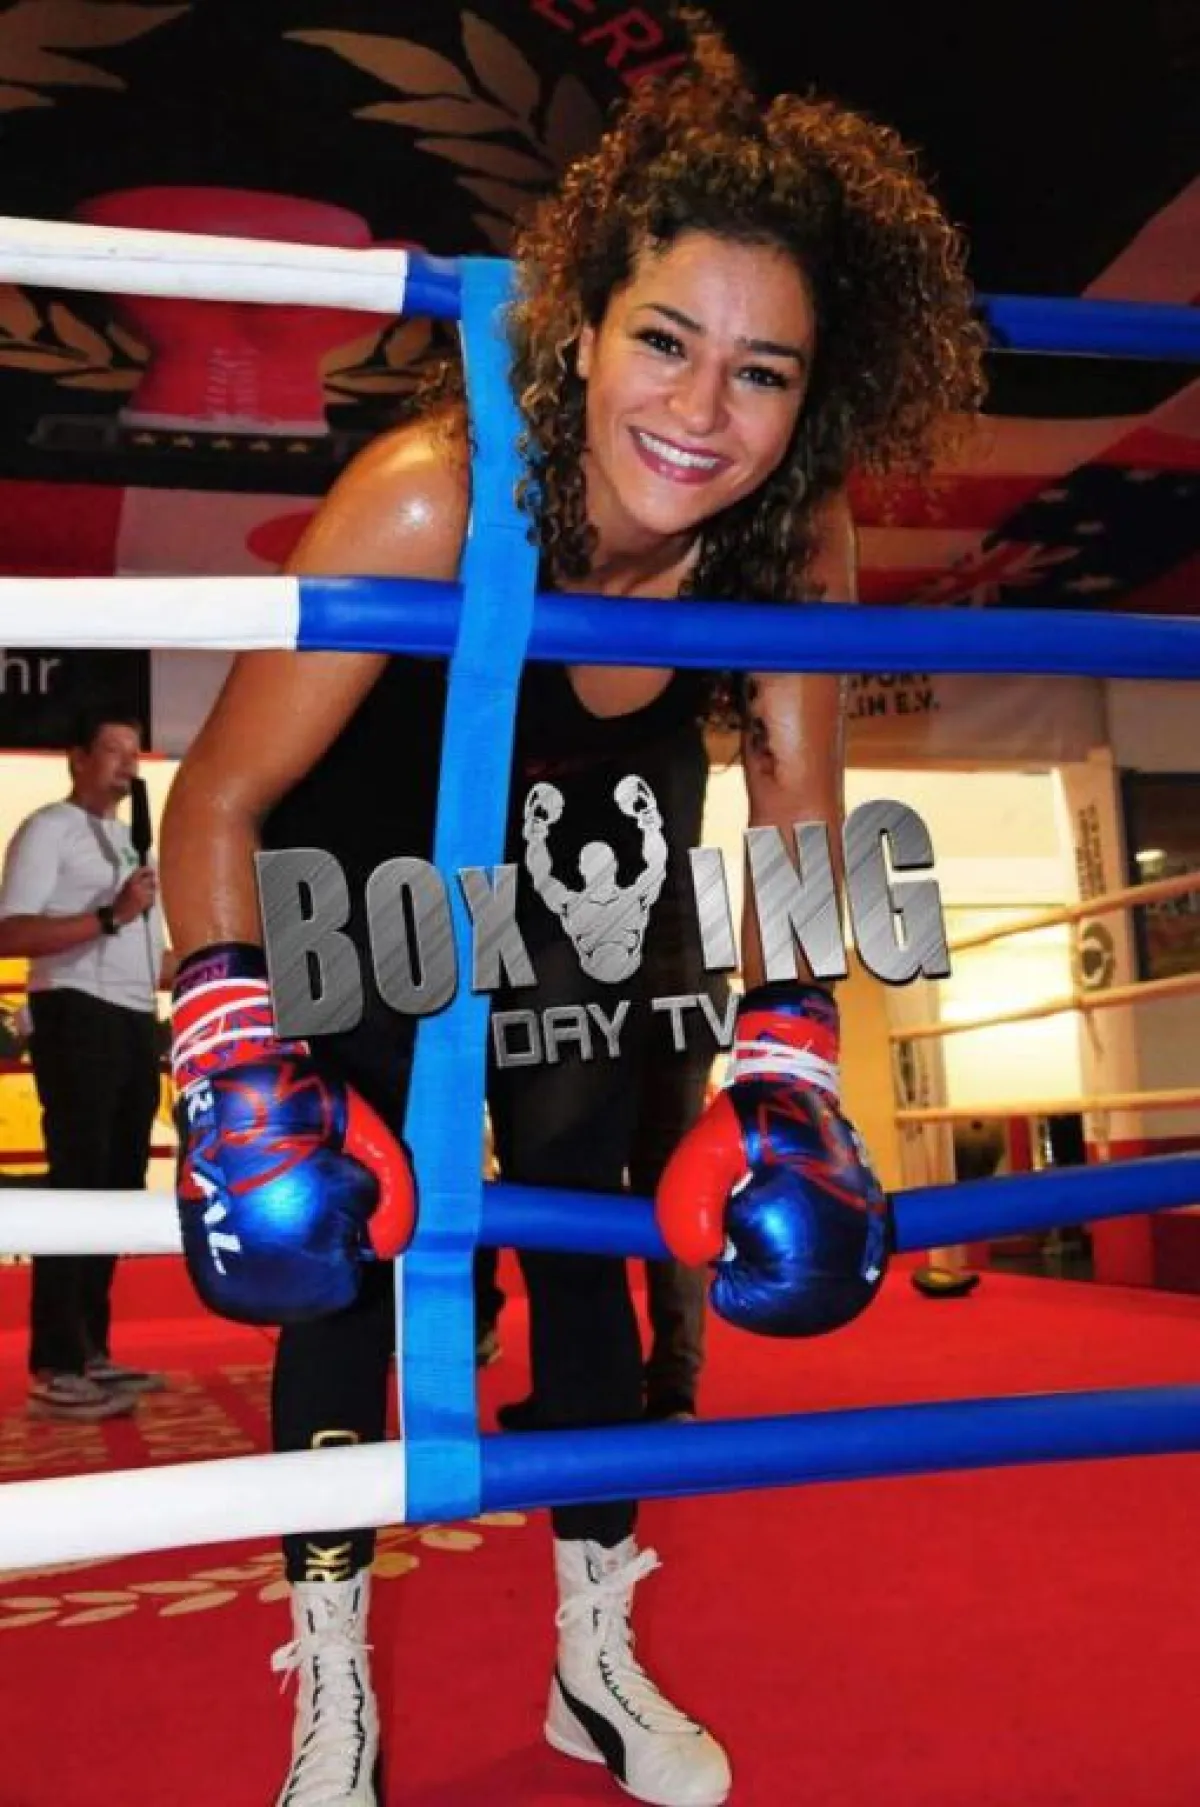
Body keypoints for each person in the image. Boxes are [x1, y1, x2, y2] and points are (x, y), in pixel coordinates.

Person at [161, 18, 984, 1806]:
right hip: (359, 884)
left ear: (816, 393)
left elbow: (796, 816)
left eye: (762, 372)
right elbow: (215, 795)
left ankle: (591, 1659)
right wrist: (231, 1052)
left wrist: (795, 1057)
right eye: (667, 341)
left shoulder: (789, 536)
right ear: (585, 326)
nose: (701, 414)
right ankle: (331, 1682)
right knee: (331, 1250)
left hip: (577, 900)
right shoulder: (434, 497)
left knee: (600, 1230)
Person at [0, 708, 170, 1420]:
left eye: (135, 752)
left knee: (117, 1186)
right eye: (113, 750)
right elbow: (11, 931)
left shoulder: (131, 844)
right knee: (78, 1181)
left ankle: (92, 1348)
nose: (128, 764)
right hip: (75, 1012)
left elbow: (148, 951)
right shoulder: (50, 828)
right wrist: (109, 916)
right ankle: (56, 1364)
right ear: (76, 757)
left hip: (132, 1019)